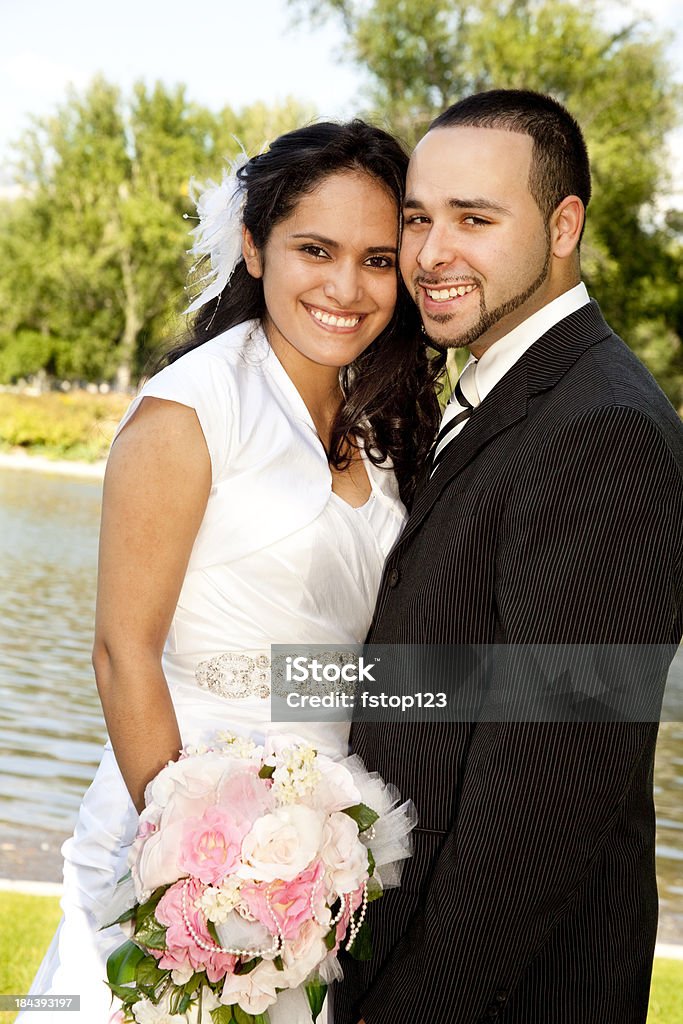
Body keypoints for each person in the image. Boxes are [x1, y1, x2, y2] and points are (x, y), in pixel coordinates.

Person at [20, 119, 443, 1024]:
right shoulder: (190, 410)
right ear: (254, 247)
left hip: (325, 854)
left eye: (376, 259)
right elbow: (119, 653)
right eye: (314, 250)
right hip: (181, 835)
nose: (345, 287)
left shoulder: (384, 421)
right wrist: (195, 875)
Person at [334, 90, 683, 1024]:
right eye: (417, 219)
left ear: (563, 224)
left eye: (475, 220)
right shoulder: (498, 388)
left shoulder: (603, 427)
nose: (430, 253)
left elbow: (549, 790)